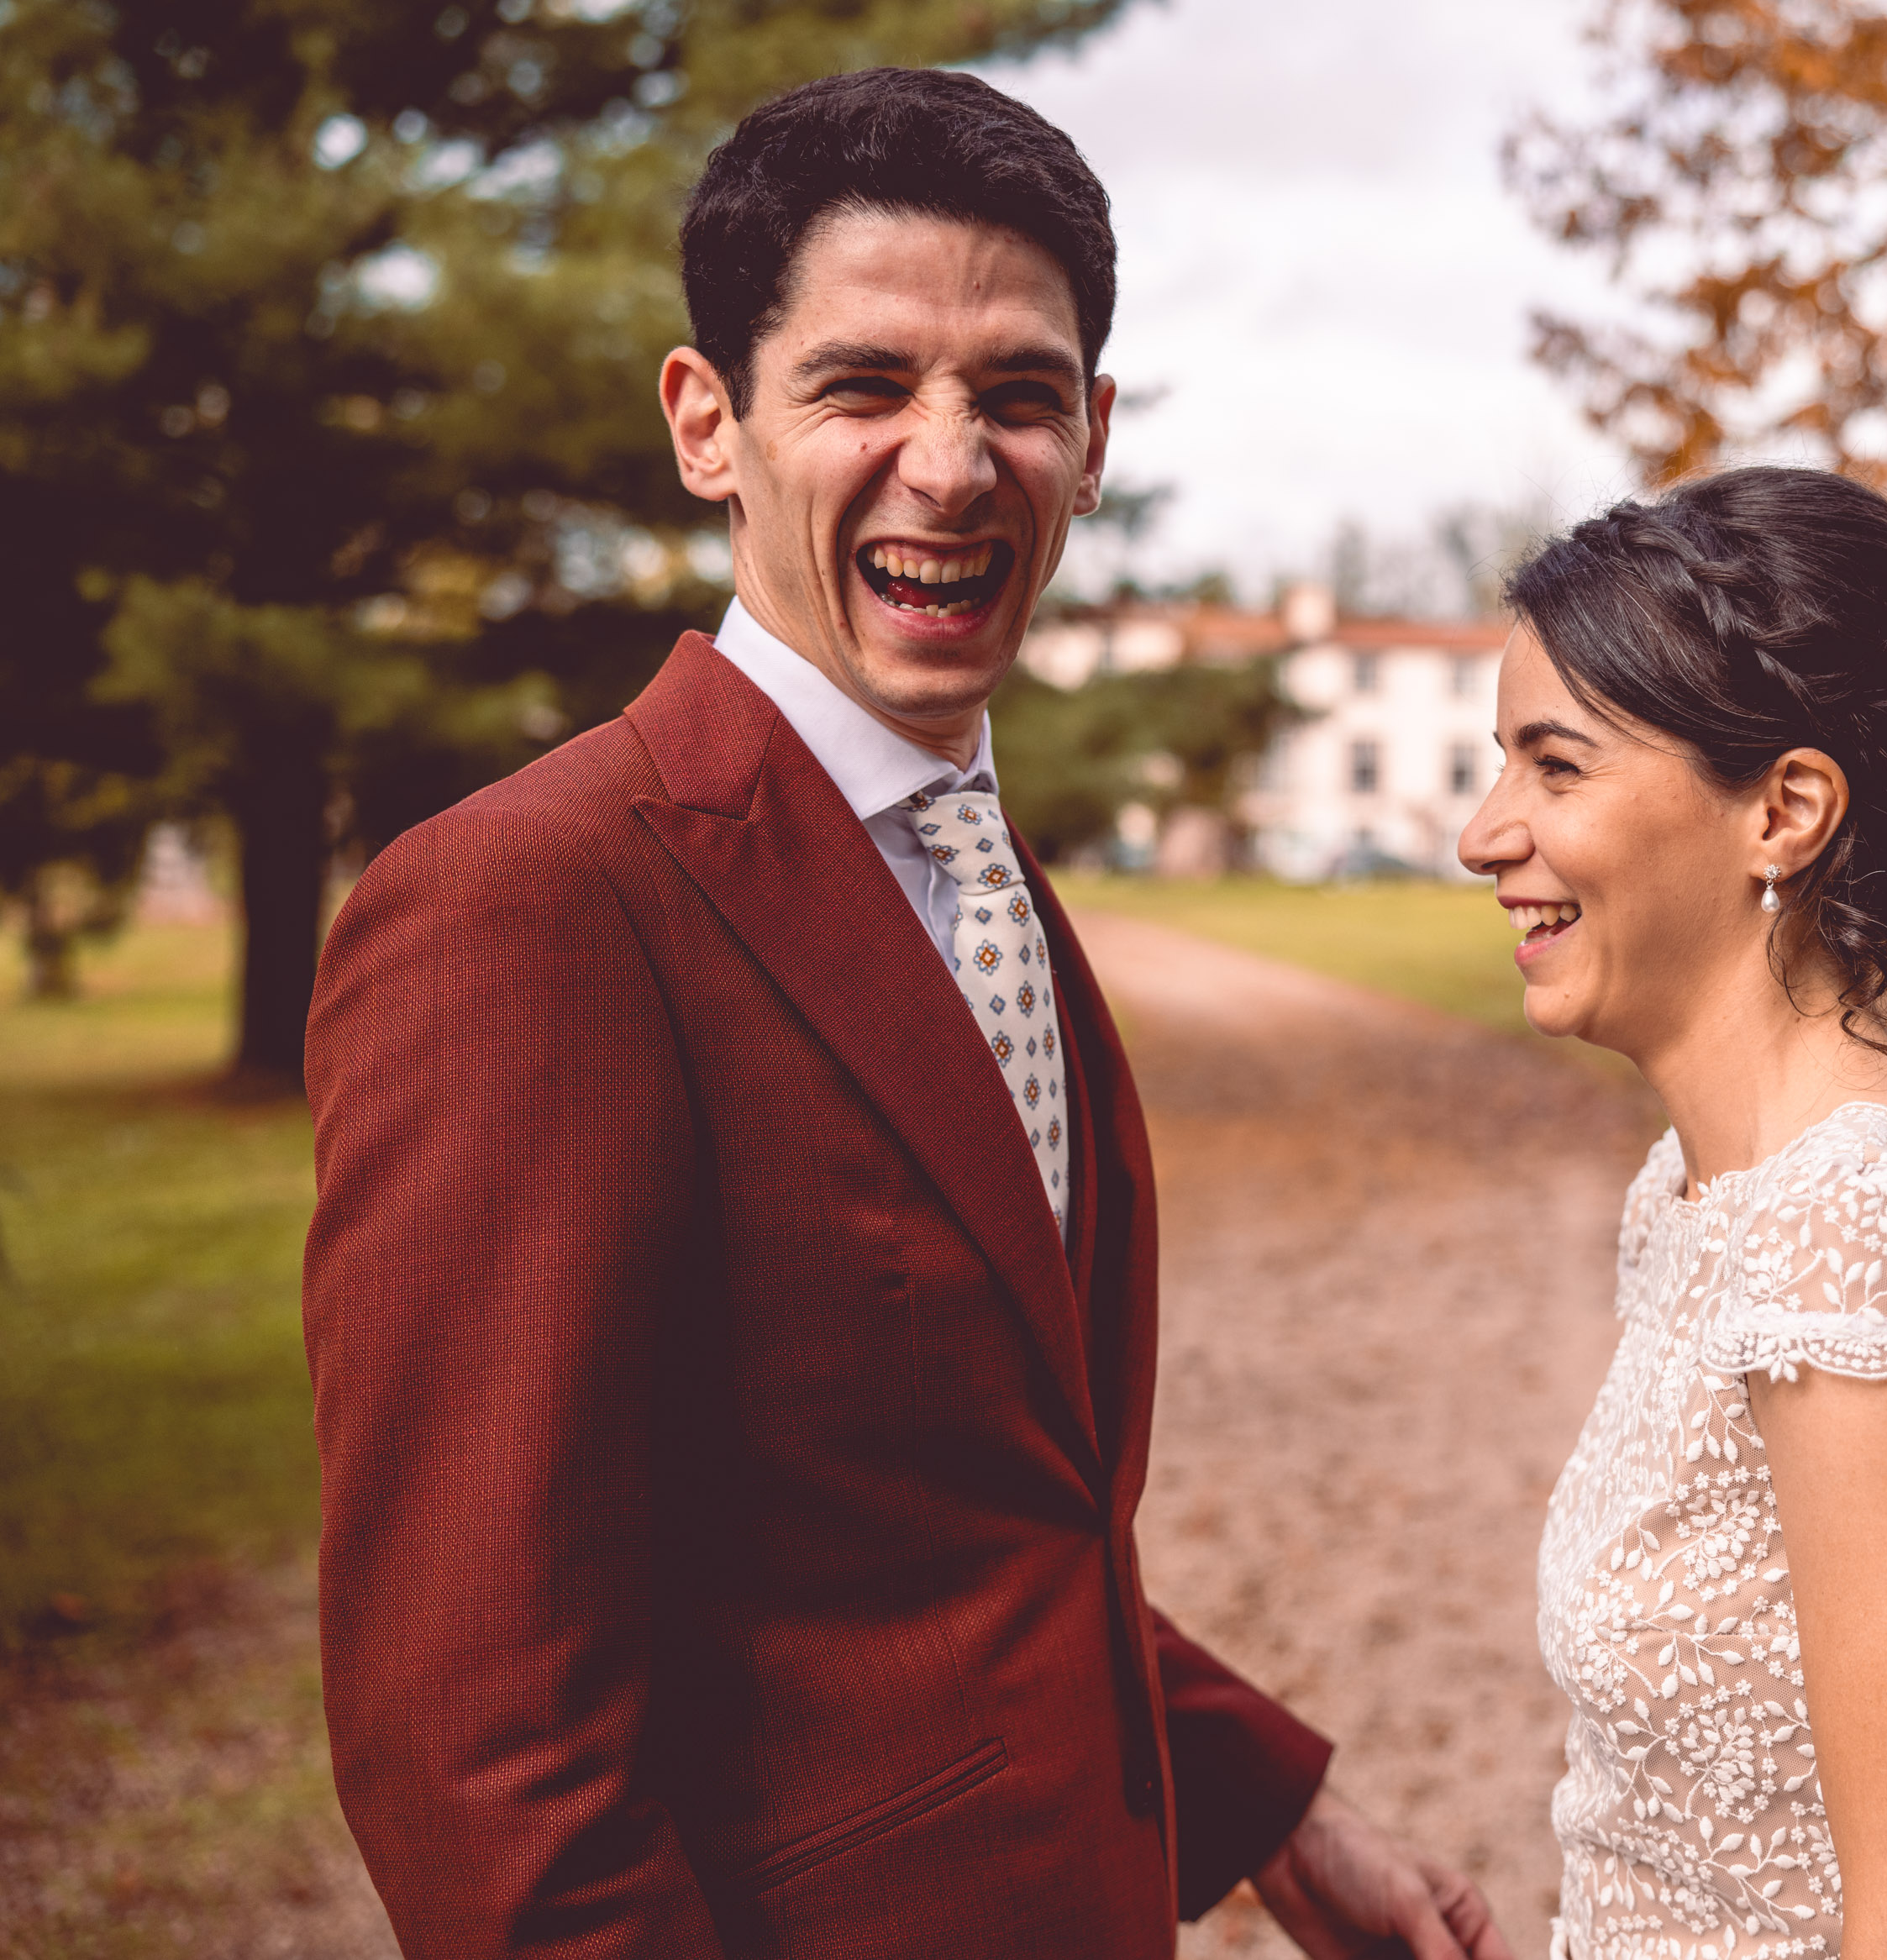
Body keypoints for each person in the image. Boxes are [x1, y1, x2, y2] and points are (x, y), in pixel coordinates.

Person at [302, 68, 1512, 1960]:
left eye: (1016, 396)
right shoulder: (527, 907)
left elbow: (957, 1514)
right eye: (862, 386)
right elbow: (476, 1736)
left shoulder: (975, 864)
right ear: (709, 424)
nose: (949, 465)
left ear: (1092, 440)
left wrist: (1281, 1812)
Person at [1458, 468, 1887, 1960]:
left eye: (1556, 768)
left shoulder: (1863, 1232)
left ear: (1784, 811)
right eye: (1505, 766)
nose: (1487, 835)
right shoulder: (1700, 1191)